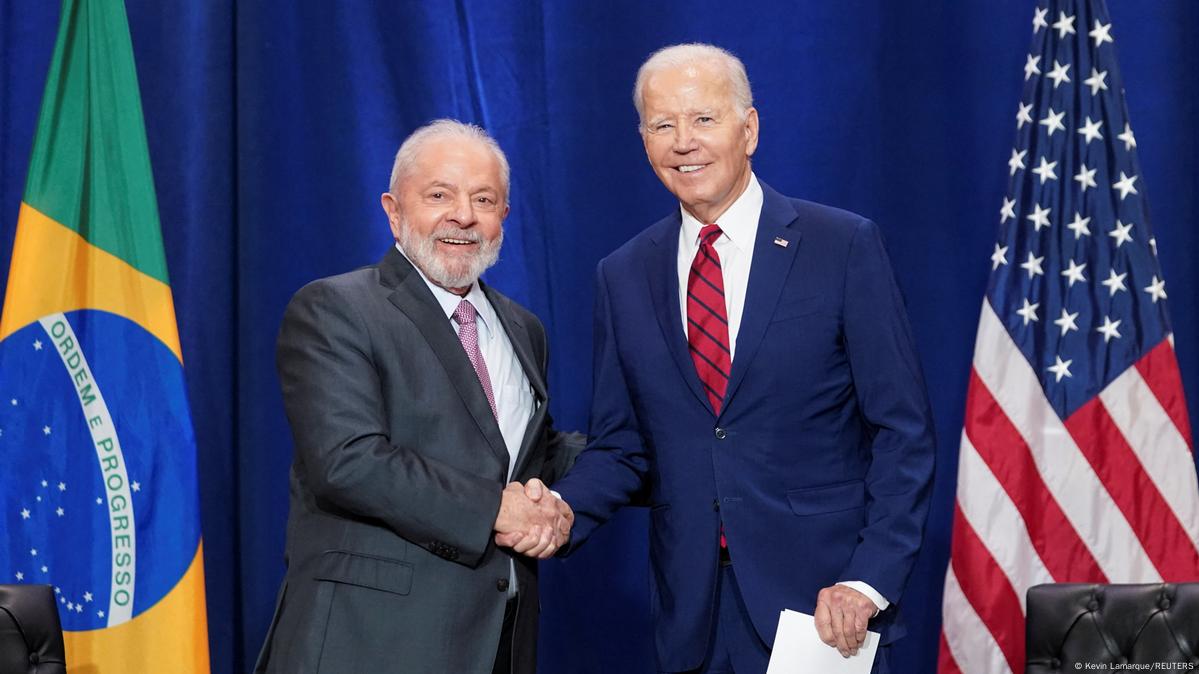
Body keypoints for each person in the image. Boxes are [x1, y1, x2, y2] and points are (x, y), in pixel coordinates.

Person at [547, 44, 935, 673]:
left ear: (748, 129)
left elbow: (903, 432)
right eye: (662, 125)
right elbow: (621, 446)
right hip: (691, 615)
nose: (683, 142)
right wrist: (563, 510)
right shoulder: (621, 274)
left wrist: (869, 580)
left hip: (824, 608)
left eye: (703, 119)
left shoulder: (841, 246)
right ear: (643, 141)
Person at [254, 119, 580, 674]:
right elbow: (348, 461)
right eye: (439, 195)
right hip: (367, 644)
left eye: (484, 198)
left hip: (495, 645)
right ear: (393, 209)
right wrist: (494, 509)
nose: (463, 215)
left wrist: (654, 454)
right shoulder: (336, 308)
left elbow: (531, 454)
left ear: (504, 216)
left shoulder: (523, 329)